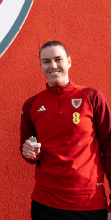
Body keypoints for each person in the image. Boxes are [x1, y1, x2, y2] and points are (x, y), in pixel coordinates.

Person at [20, 41, 111, 220]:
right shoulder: (31, 105)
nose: (53, 66)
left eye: (58, 59)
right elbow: (28, 151)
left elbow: (109, 148)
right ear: (40, 66)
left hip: (88, 205)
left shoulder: (92, 97)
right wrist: (30, 152)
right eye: (46, 61)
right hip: (45, 205)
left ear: (69, 61)